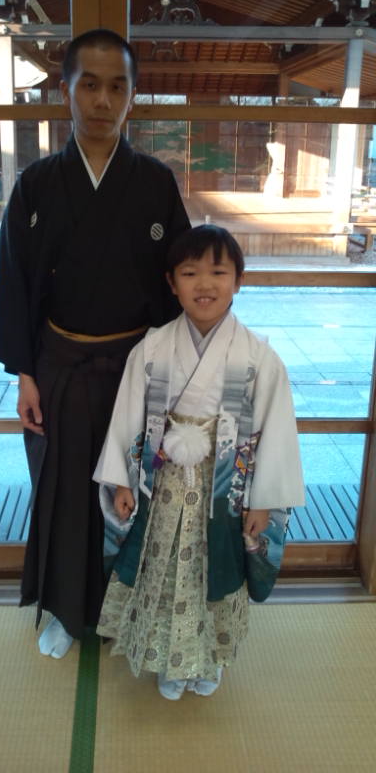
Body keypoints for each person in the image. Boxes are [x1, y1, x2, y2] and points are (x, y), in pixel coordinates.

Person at [0, 29, 190, 660]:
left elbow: (181, 281)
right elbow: (13, 282)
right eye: (90, 85)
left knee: (138, 493)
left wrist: (180, 373)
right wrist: (24, 374)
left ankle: (129, 609)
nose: (103, 100)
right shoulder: (37, 184)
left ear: (133, 96)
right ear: (65, 91)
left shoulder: (154, 182)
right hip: (61, 365)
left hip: (138, 367)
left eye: (117, 87)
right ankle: (64, 610)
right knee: (64, 490)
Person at [94, 224, 305, 700]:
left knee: (217, 571)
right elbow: (127, 416)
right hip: (162, 486)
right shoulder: (152, 348)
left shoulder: (259, 357)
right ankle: (169, 660)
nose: (204, 284)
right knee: (163, 570)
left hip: (225, 491)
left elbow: (277, 431)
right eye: (190, 273)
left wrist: (263, 500)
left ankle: (208, 657)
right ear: (172, 283)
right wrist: (122, 481)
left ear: (239, 280)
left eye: (218, 272)